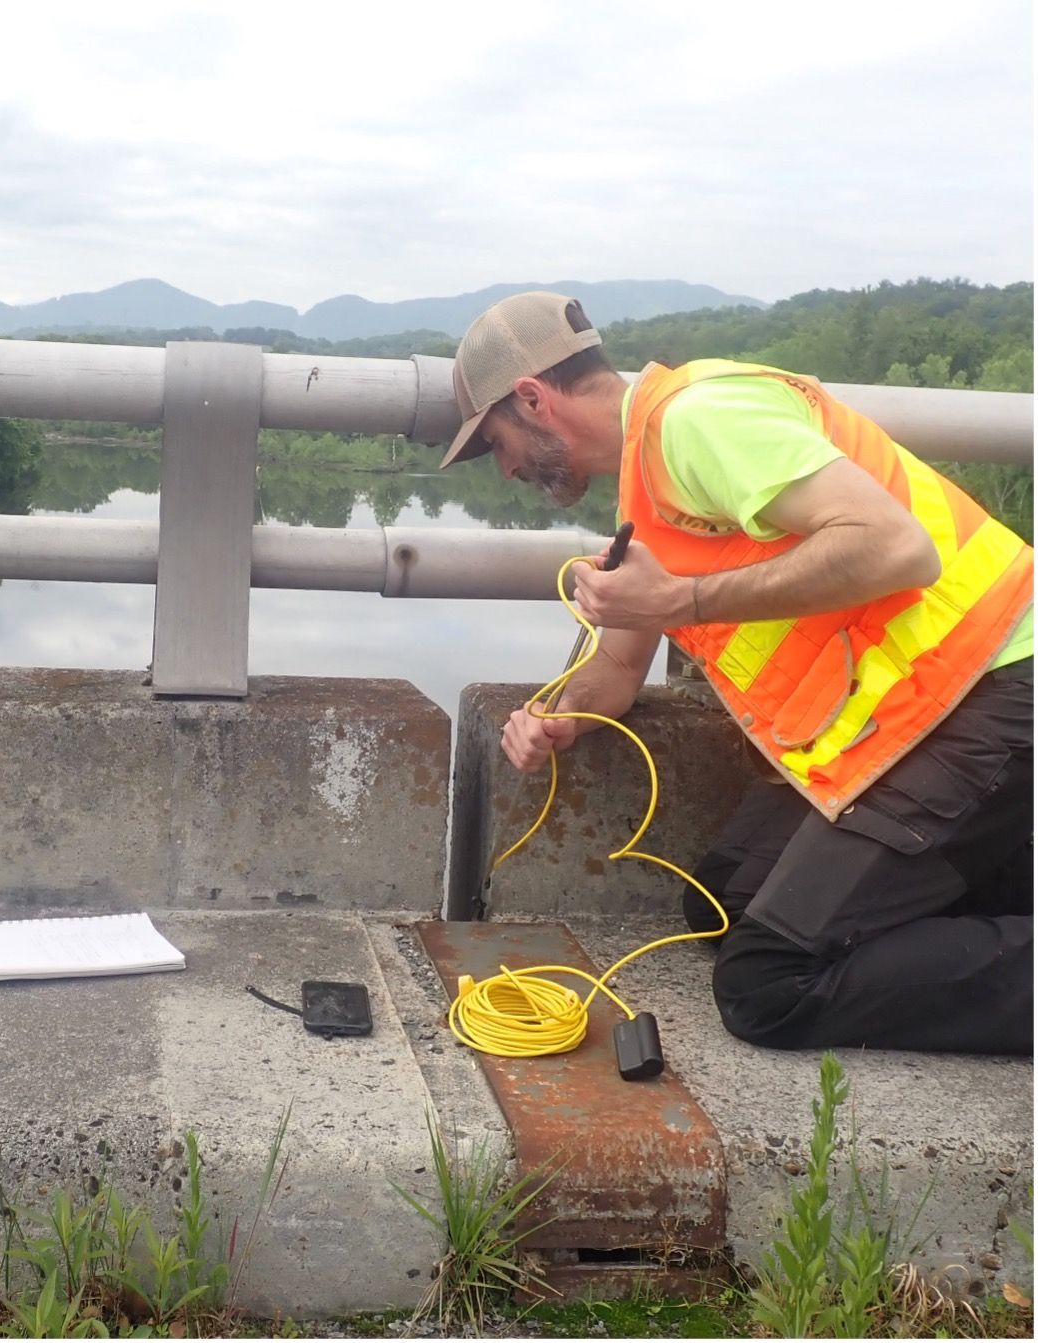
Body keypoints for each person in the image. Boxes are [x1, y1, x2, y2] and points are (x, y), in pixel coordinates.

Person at [440, 291, 1033, 1054]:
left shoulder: (697, 421)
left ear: (531, 399)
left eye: (495, 441)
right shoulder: (643, 491)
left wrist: (678, 597)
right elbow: (617, 667)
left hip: (992, 686)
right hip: (915, 714)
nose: (505, 468)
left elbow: (897, 548)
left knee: (767, 983)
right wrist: (561, 714)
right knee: (721, 899)